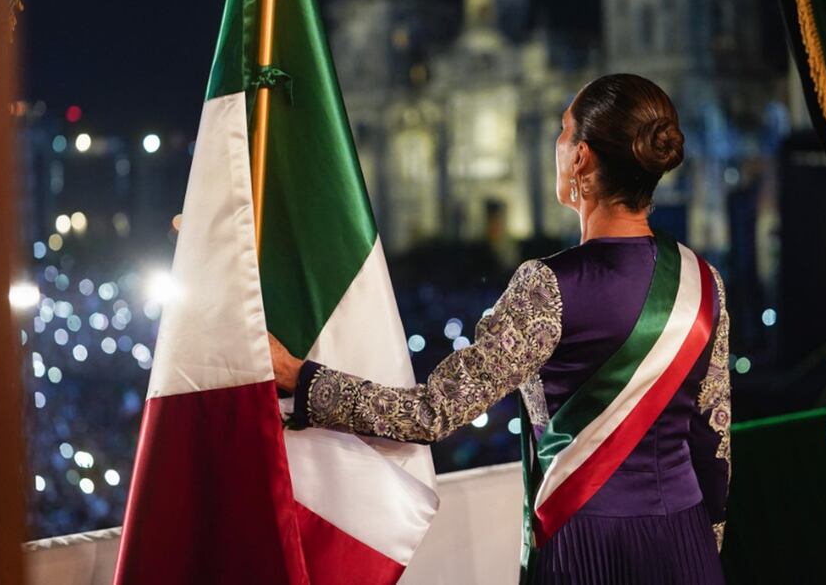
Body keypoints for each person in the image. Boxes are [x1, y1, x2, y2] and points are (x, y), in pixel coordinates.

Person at [269, 74, 731, 584]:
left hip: (588, 544)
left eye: (563, 130)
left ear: (581, 157)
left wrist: (301, 378)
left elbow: (431, 412)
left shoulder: (547, 287)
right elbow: (714, 444)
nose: (557, 143)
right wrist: (701, 548)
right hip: (686, 542)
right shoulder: (704, 281)